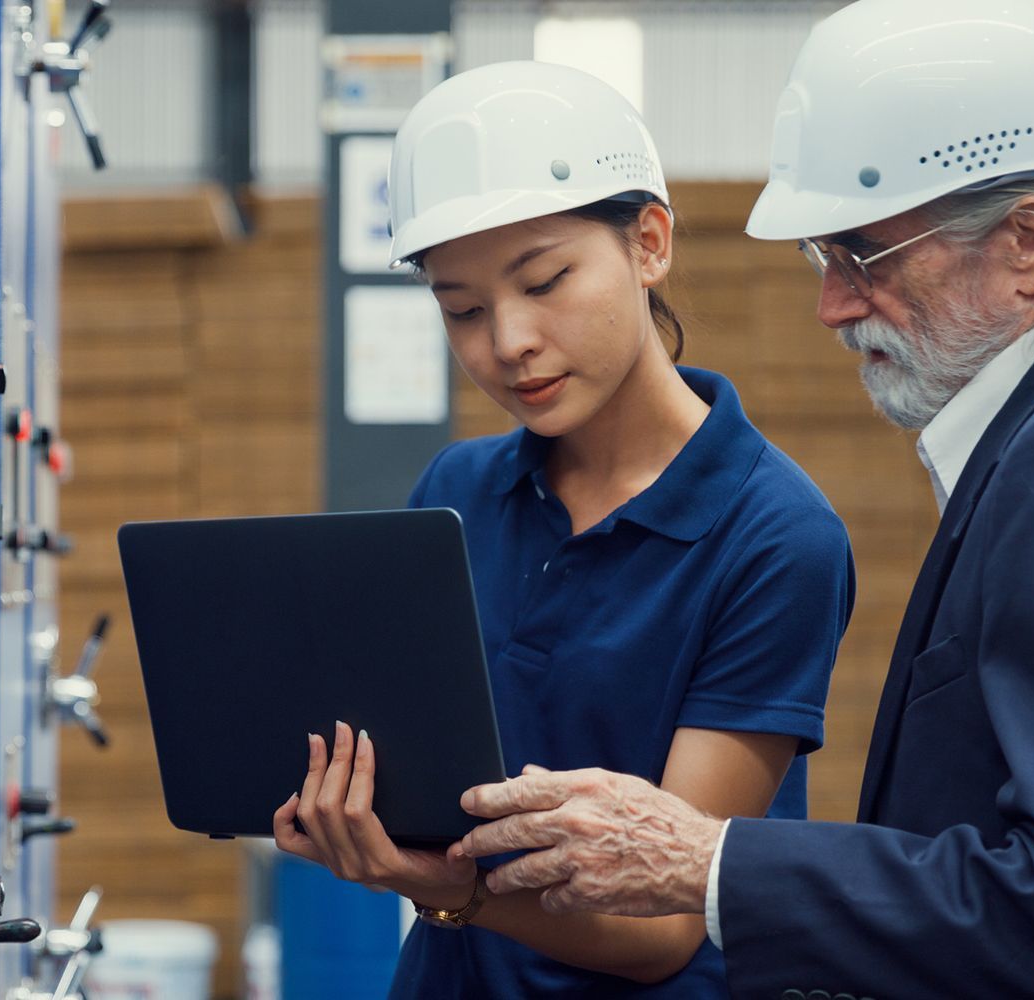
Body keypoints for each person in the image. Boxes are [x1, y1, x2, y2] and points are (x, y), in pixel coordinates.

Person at [456, 2, 1034, 997]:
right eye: (824, 262)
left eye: (864, 255)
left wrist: (709, 864)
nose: (832, 305)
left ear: (1030, 244)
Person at [270, 61, 854, 997]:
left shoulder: (775, 537)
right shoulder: (455, 492)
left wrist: (454, 891)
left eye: (544, 282)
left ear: (650, 243)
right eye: (461, 309)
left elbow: (667, 921)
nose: (507, 341)